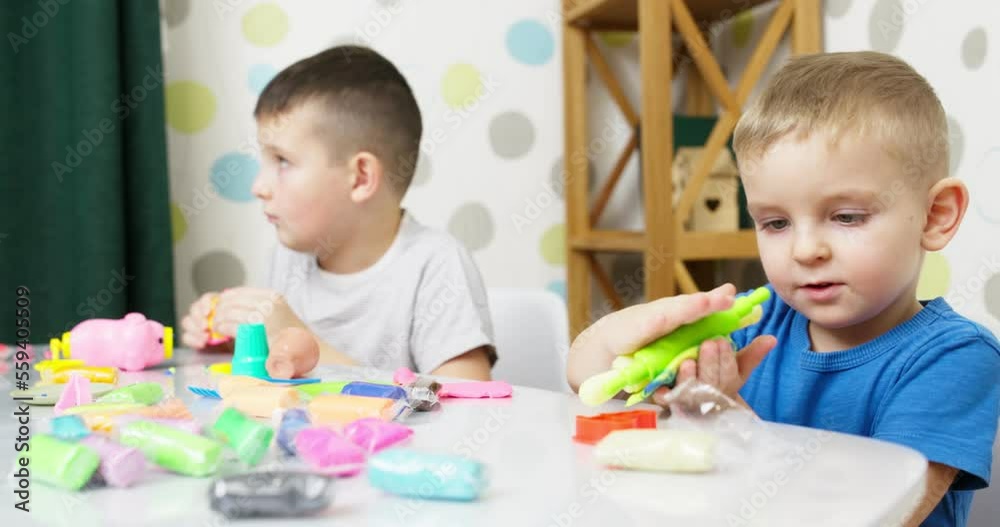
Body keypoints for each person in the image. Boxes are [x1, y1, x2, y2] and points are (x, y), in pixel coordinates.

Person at [566, 51, 999, 526]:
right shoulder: (756, 323)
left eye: (847, 216)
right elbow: (586, 380)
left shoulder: (954, 357)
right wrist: (627, 333)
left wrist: (733, 424)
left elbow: (879, 512)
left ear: (936, 216)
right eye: (775, 222)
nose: (805, 249)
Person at [180, 45, 496, 381]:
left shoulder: (435, 264)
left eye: (282, 161)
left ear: (360, 177)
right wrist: (237, 347)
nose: (259, 185)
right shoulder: (286, 259)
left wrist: (305, 344)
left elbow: (467, 406)